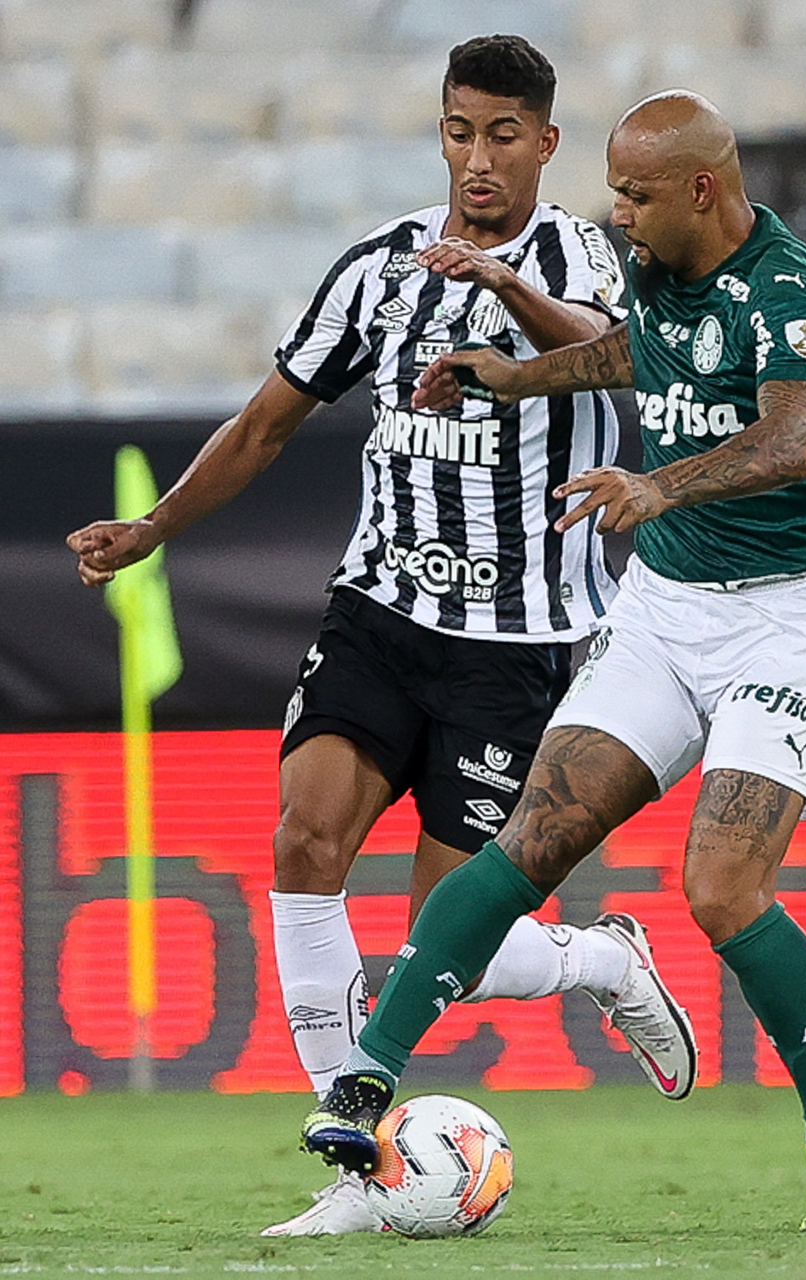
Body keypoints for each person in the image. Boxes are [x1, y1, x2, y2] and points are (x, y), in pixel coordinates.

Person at [66, 39, 698, 1238]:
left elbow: (603, 358)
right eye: (459, 132)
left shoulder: (580, 257)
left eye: (501, 134)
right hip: (379, 612)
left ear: (546, 142)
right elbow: (264, 422)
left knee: (444, 943)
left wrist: (500, 285)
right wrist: (153, 528)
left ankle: (602, 962)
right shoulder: (378, 268)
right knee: (304, 840)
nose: (477, 158)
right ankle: (353, 1160)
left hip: (515, 642)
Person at [301, 89, 806, 1234]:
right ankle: (364, 1080)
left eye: (634, 194)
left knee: (720, 891)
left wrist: (657, 485)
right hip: (664, 610)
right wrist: (509, 373)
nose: (616, 213)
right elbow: (640, 354)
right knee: (534, 836)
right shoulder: (661, 269)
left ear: (701, 189)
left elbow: (797, 435)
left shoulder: (788, 287)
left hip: (784, 619)